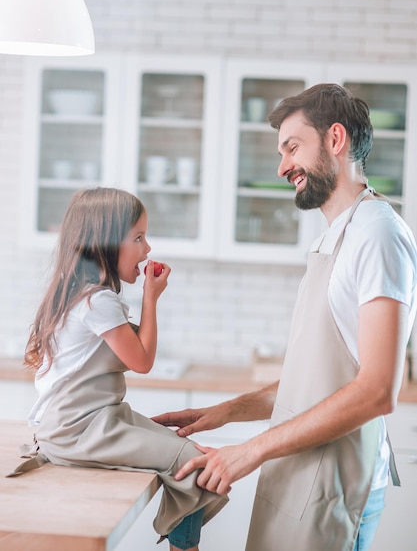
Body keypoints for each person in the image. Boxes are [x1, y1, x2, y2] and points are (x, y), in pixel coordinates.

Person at [153, 83, 417, 551]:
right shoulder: (335, 236)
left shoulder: (377, 233)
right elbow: (315, 381)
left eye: (292, 147)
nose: (282, 167)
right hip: (301, 472)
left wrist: (250, 451)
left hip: (336, 483)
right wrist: (226, 412)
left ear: (336, 140)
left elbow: (377, 390)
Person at [15, 187, 227, 551]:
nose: (147, 249)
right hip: (80, 428)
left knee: (192, 451)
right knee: (197, 462)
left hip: (91, 421)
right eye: (139, 238)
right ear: (106, 243)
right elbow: (142, 362)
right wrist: (150, 298)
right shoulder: (98, 302)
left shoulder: (82, 294)